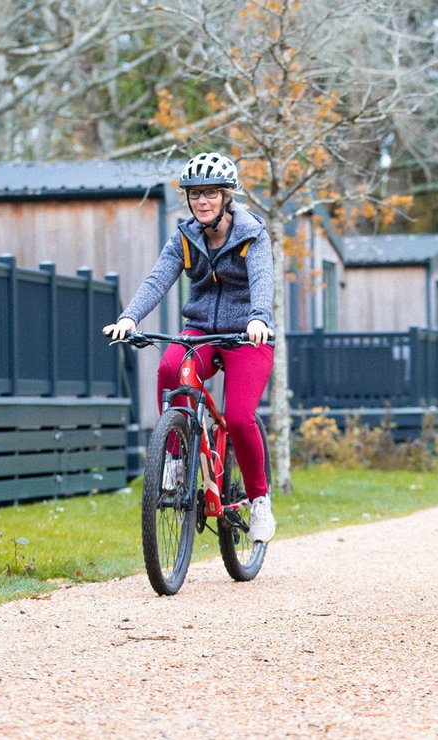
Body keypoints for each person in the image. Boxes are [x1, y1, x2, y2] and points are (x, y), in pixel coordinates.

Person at [104, 152, 276, 542]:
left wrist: (258, 317)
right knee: (169, 368)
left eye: (211, 193)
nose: (202, 201)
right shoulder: (184, 238)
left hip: (249, 335)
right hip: (201, 330)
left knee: (238, 416)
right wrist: (129, 317)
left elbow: (263, 281)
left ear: (227, 196)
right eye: (196, 194)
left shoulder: (252, 234)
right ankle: (178, 458)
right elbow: (157, 280)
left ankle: (259, 499)